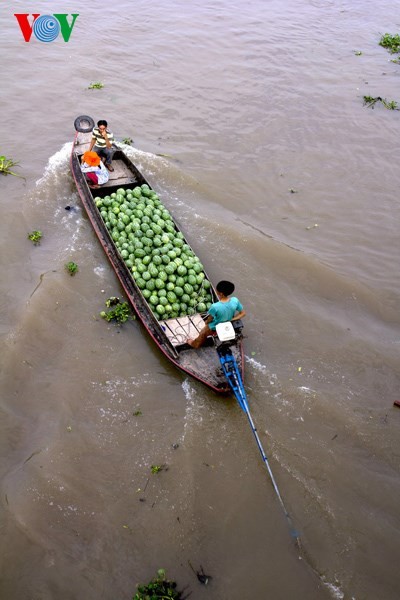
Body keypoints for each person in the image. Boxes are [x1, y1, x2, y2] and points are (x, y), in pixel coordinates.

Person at [188, 280, 246, 349]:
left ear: (221, 294)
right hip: (227, 323)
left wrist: (206, 322)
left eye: (216, 289)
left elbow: (210, 318)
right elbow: (243, 313)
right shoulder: (235, 300)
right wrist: (231, 319)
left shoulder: (215, 306)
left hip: (215, 326)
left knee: (202, 333)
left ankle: (194, 344)